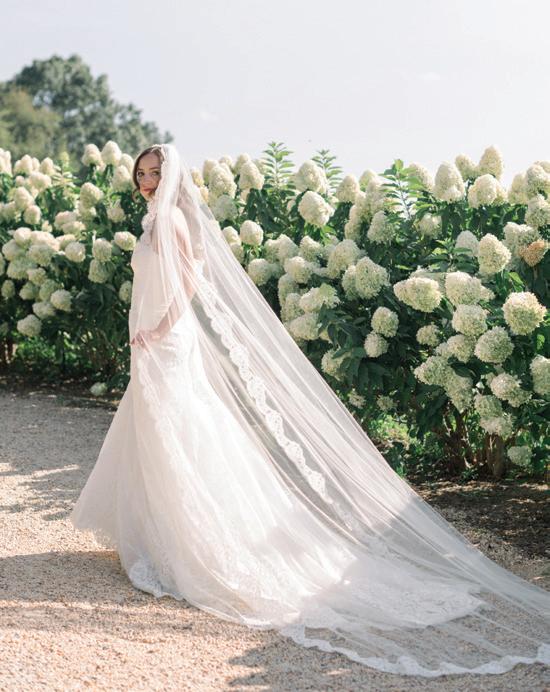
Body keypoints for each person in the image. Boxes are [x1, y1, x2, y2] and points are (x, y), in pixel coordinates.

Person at [69, 143, 550, 677]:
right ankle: (157, 536)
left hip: (165, 338)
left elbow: (186, 283)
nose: (147, 181)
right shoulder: (158, 219)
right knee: (161, 427)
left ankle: (187, 543)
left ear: (173, 177)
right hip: (151, 337)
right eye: (141, 173)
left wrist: (159, 329)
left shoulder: (172, 222)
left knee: (176, 429)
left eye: (156, 173)